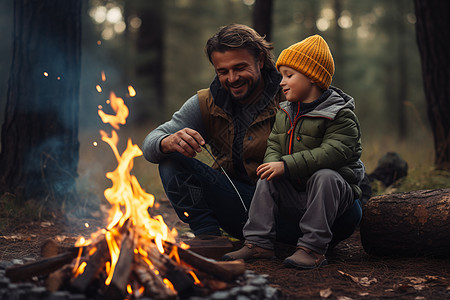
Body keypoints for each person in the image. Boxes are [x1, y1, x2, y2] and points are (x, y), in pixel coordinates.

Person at [222, 35, 365, 269]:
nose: (281, 82)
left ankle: (312, 249)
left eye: (289, 75)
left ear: (312, 77)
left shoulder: (340, 114)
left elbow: (333, 152)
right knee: (268, 179)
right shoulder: (285, 111)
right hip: (297, 192)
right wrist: (273, 165)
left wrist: (286, 165)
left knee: (325, 175)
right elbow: (274, 146)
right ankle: (258, 243)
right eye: (281, 76)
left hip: (335, 197)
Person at [142, 24, 284, 239]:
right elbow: (150, 143)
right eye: (223, 71)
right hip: (239, 207)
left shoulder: (291, 93)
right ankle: (208, 238)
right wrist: (168, 141)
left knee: (350, 210)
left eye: (240, 68)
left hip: (289, 210)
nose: (232, 78)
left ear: (260, 60)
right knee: (171, 160)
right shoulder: (206, 102)